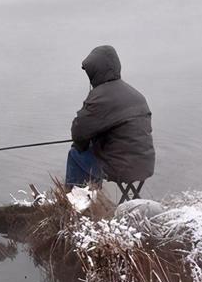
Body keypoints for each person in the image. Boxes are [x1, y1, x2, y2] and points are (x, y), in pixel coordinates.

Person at [66, 45, 155, 188]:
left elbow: (79, 133)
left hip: (120, 169)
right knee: (92, 150)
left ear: (95, 71)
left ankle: (76, 202)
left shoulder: (100, 97)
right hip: (145, 165)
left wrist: (81, 145)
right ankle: (94, 200)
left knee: (75, 154)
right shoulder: (136, 95)